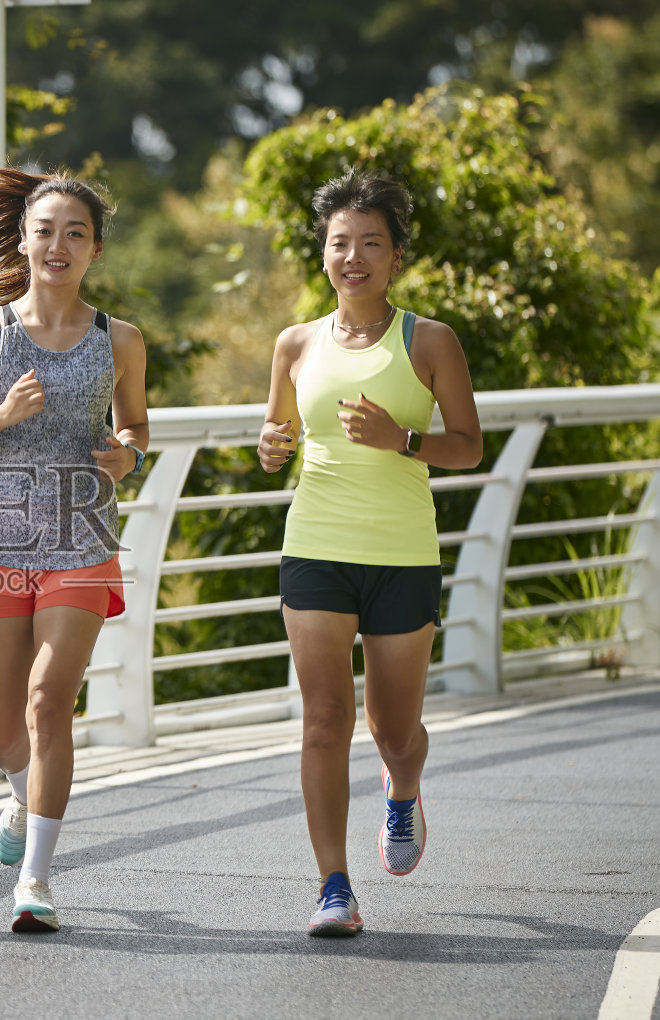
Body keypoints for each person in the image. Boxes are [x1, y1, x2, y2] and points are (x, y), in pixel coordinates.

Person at [259, 168, 481, 936]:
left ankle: (403, 786)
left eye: (370, 244)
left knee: (392, 726)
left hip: (402, 552)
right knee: (324, 717)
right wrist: (268, 446)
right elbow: (278, 438)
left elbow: (469, 447)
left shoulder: (431, 341)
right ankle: (333, 887)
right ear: (322, 251)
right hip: (316, 542)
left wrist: (404, 439)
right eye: (340, 243)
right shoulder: (295, 343)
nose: (353, 256)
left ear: (395, 256)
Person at [0, 168, 149, 932]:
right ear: (22, 240)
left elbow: (136, 427)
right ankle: (19, 790)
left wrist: (127, 455)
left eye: (75, 233)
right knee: (4, 732)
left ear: (94, 249)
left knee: (51, 701)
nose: (58, 245)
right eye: (45, 230)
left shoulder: (118, 338)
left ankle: (37, 878)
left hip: (81, 539)